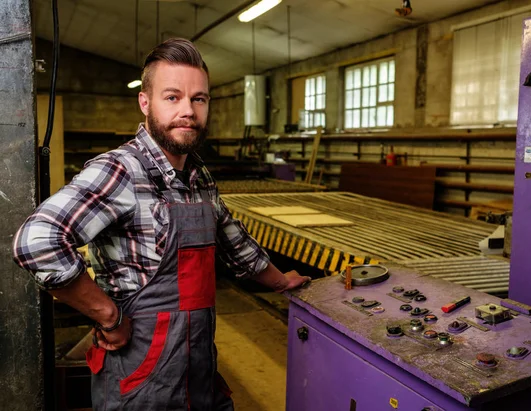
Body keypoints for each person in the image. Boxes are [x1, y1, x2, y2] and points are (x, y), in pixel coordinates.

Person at [12, 38, 310, 411]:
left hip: (198, 369)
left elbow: (234, 242)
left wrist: (282, 281)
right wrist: (108, 315)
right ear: (145, 102)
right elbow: (36, 241)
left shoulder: (198, 175)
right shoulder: (121, 170)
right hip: (141, 380)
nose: (188, 110)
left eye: (198, 99)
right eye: (173, 97)